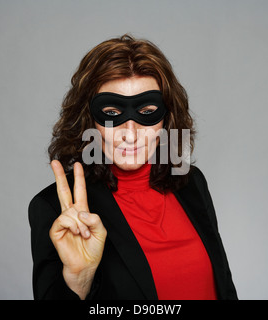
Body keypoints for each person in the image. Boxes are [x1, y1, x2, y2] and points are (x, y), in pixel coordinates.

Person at [28, 34, 237, 300]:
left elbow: (225, 287)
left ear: (167, 118)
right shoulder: (57, 210)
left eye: (147, 111)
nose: (130, 133)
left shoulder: (191, 181)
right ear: (88, 120)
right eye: (112, 114)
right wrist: (79, 280)